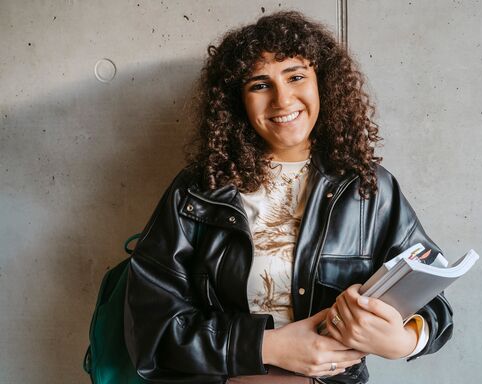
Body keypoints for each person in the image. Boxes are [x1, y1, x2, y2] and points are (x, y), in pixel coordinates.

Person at [124, 11, 453, 384]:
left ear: (322, 84)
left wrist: (403, 341)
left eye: (296, 76)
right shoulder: (199, 191)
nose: (282, 99)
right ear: (237, 101)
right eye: (259, 85)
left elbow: (433, 296)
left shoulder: (368, 188)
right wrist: (268, 347)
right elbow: (151, 328)